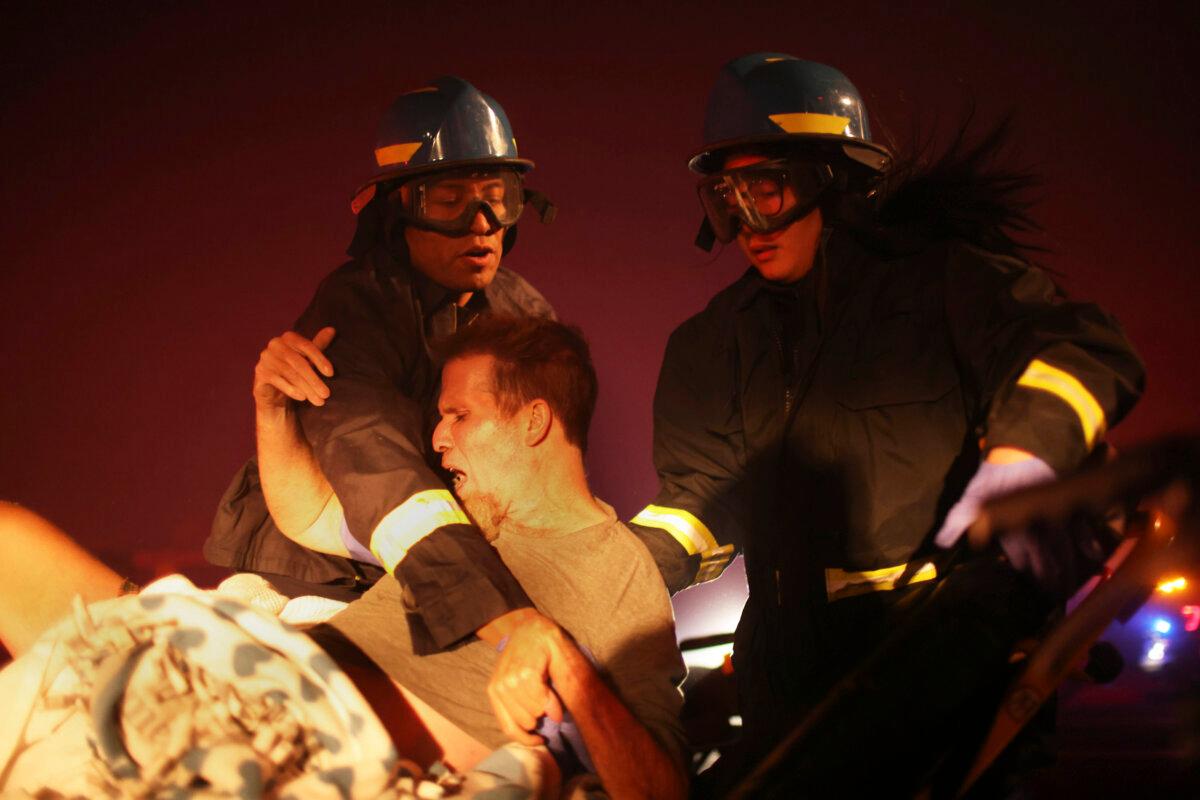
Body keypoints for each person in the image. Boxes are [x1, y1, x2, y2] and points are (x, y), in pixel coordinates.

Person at [625, 53, 1145, 794]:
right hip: (791, 697)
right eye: (723, 197)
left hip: (946, 681)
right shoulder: (712, 343)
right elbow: (702, 502)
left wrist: (1027, 454)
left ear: (832, 180)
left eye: (764, 190)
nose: (744, 223)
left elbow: (1081, 348)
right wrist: (616, 572)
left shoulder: (945, 285)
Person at [1, 317, 687, 800]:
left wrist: (561, 658)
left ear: (533, 421)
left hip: (293, 718)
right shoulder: (448, 534)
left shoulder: (617, 569)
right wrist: (271, 408)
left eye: (459, 416)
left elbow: (659, 789)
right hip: (259, 659)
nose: (438, 439)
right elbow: (309, 514)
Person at [203, 76, 567, 671]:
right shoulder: (355, 307)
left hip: (441, 572)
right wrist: (491, 609)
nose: (480, 223)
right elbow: (373, 461)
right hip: (320, 571)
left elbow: (548, 470)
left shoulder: (527, 314)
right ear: (400, 208)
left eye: (496, 197)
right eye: (450, 201)